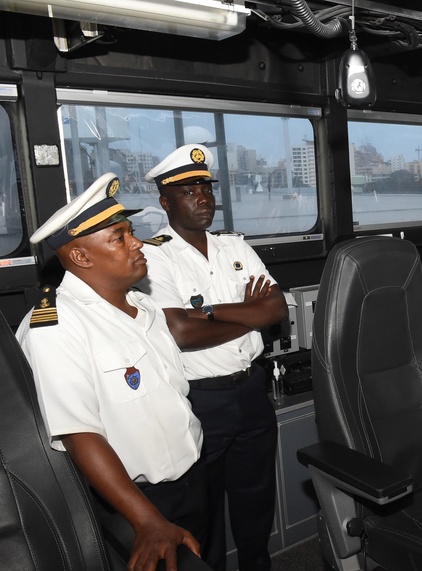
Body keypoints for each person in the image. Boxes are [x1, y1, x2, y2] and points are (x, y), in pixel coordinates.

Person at [16, 173, 208, 571]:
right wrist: (146, 519)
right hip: (127, 503)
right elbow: (78, 432)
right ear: (82, 257)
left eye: (131, 231)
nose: (137, 242)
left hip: (192, 480)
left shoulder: (146, 308)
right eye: (119, 237)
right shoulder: (55, 327)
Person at [140, 144, 288, 571]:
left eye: (206, 187)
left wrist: (208, 312)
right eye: (189, 190)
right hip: (202, 402)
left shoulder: (234, 246)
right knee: (204, 516)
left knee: (256, 504)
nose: (203, 197)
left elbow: (275, 309)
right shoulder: (154, 256)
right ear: (165, 202)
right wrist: (249, 315)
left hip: (253, 393)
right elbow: (181, 333)